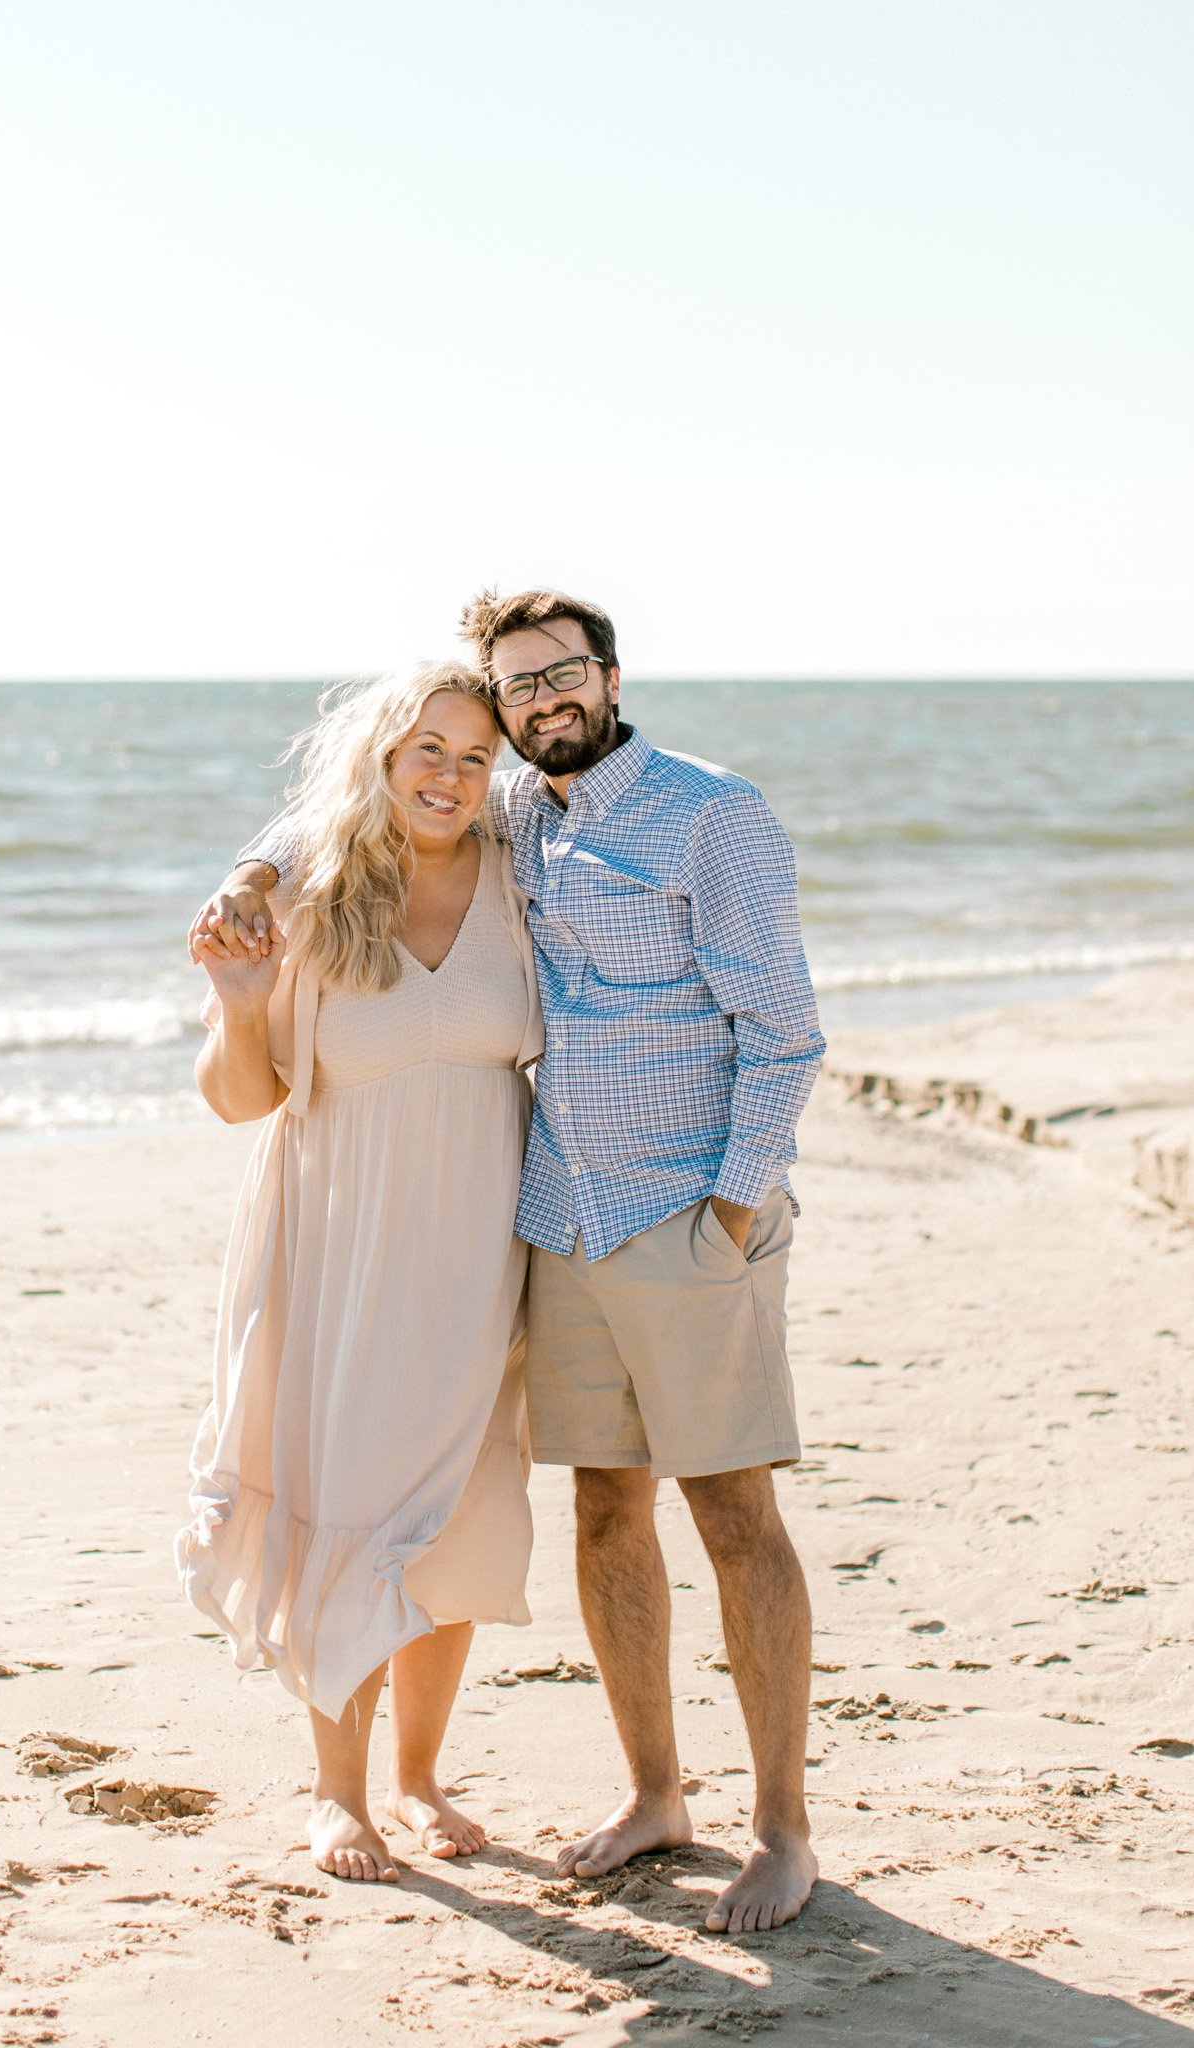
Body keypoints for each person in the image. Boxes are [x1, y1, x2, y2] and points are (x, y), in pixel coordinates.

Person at [195, 592, 826, 1935]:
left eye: (562, 677)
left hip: (650, 1218)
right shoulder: (508, 820)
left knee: (707, 1512)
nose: (533, 712)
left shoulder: (689, 814)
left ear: (607, 674)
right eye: (513, 691)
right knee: (595, 1507)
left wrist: (734, 1199)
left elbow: (782, 1027)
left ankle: (780, 1830)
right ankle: (641, 1795)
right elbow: (343, 815)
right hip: (529, 1223)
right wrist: (250, 886)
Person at [177, 660, 543, 1885]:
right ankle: (338, 1793)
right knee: (355, 1495)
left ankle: (420, 1774)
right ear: (383, 755)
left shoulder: (520, 882)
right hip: (342, 1245)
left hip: (483, 1244)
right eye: (426, 749)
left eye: (475, 755)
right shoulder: (320, 897)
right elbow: (244, 1098)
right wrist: (238, 1001)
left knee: (449, 1508)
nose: (449, 774)